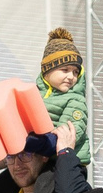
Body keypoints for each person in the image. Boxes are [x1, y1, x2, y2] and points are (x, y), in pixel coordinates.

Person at [38, 28, 89, 176]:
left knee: (43, 189)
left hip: (68, 164)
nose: (71, 76)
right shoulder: (35, 94)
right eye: (65, 70)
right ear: (46, 71)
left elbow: (68, 132)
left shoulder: (76, 99)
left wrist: (31, 144)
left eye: (75, 72)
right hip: (43, 159)